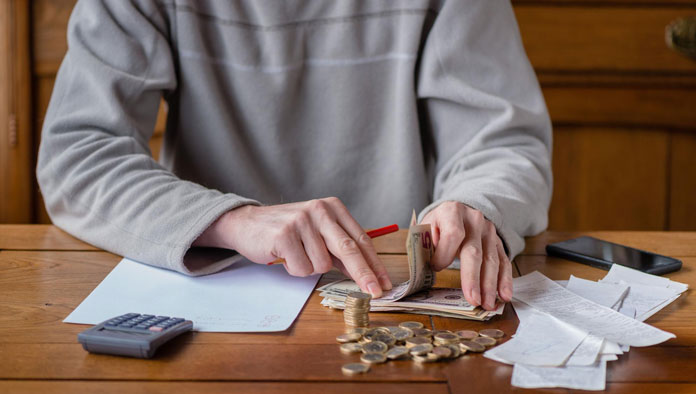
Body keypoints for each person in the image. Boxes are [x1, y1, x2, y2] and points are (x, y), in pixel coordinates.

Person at [37, 0, 552, 311]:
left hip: (394, 295)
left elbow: (504, 142)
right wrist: (231, 221)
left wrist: (477, 204)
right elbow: (76, 154)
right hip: (213, 294)